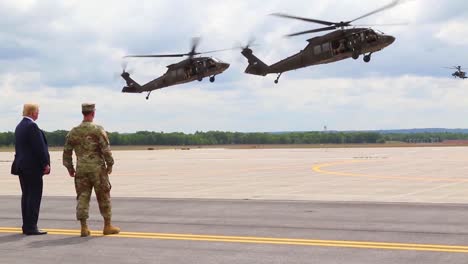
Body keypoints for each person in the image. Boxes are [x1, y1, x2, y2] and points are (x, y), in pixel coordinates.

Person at [62, 103, 120, 237]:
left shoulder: (73, 131)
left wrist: (70, 168)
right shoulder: (97, 130)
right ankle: (107, 226)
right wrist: (110, 164)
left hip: (81, 169)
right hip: (97, 170)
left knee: (82, 197)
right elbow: (106, 150)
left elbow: (67, 152)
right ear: (93, 113)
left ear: (83, 113)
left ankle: (84, 227)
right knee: (103, 196)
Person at [13, 103, 50, 235]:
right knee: (34, 196)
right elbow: (39, 148)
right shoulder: (32, 126)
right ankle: (31, 226)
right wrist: (45, 163)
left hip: (22, 166)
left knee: (27, 196)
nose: (38, 114)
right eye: (37, 111)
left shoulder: (19, 126)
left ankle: (26, 225)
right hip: (32, 168)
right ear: (32, 112)